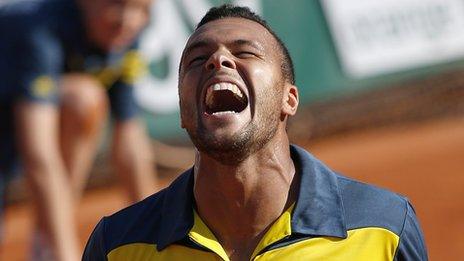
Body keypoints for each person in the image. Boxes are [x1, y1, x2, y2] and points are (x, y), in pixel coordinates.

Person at [83, 4, 428, 261]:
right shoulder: (117, 246)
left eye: (244, 52)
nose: (218, 61)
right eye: (196, 59)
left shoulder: (384, 227)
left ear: (288, 99)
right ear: (183, 111)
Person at [0, 0, 157, 260]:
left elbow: (130, 139)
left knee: (84, 100)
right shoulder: (37, 28)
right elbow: (38, 154)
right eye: (116, 3)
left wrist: (159, 237)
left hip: (18, 129)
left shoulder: (125, 31)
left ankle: (44, 244)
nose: (128, 20)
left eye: (142, 9)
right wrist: (67, 254)